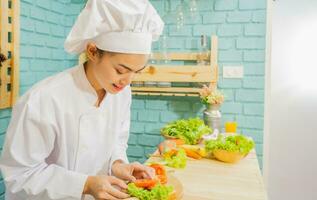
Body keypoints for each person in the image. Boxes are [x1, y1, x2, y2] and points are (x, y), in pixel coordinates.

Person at [0, 0, 164, 199]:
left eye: (136, 72)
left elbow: (117, 142)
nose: (127, 81)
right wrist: (84, 184)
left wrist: (118, 165)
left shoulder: (121, 92)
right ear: (92, 51)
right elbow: (20, 175)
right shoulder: (43, 99)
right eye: (121, 70)